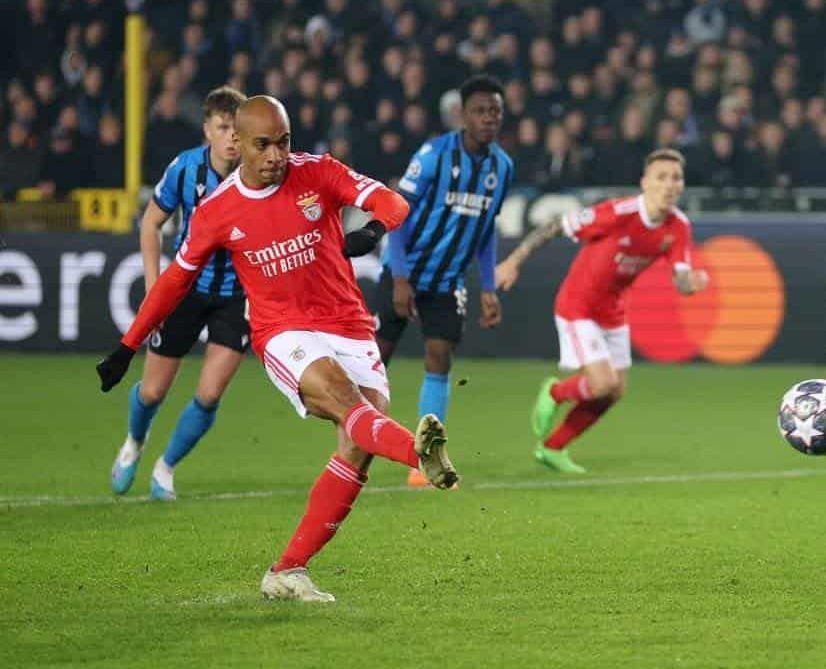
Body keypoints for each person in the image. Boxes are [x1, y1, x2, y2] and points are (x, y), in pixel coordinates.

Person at [96, 96, 459, 603]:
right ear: (238, 144)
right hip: (283, 331)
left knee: (358, 446)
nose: (275, 155)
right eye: (263, 144)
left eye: (283, 142)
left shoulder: (318, 172)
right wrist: (127, 345)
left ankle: (288, 570)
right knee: (343, 399)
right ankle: (418, 454)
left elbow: (394, 203)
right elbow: (175, 281)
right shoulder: (218, 211)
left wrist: (371, 230)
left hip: (349, 323)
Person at [495, 148, 709, 473]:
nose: (669, 185)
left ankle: (552, 448)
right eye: (661, 177)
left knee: (614, 392)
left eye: (676, 178)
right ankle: (554, 392)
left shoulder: (678, 226)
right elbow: (556, 225)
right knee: (603, 384)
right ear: (645, 183)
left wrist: (692, 282)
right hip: (578, 306)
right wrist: (514, 260)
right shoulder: (618, 212)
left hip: (613, 312)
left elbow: (681, 280)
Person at [375, 75, 514, 487]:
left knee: (439, 356)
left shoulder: (502, 168)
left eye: (495, 112)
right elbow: (397, 212)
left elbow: (486, 230)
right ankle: (357, 443)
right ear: (463, 115)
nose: (489, 118)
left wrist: (487, 285)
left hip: (448, 280)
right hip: (405, 271)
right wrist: (400, 277)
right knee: (374, 361)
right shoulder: (435, 155)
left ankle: (423, 459)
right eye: (481, 110)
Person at [110, 86, 248, 501]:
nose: (232, 137)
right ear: (207, 130)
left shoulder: (258, 174)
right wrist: (156, 289)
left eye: (237, 129)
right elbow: (150, 223)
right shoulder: (186, 169)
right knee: (152, 391)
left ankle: (165, 468)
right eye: (223, 128)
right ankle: (135, 443)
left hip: (237, 297)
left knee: (209, 395)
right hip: (185, 289)